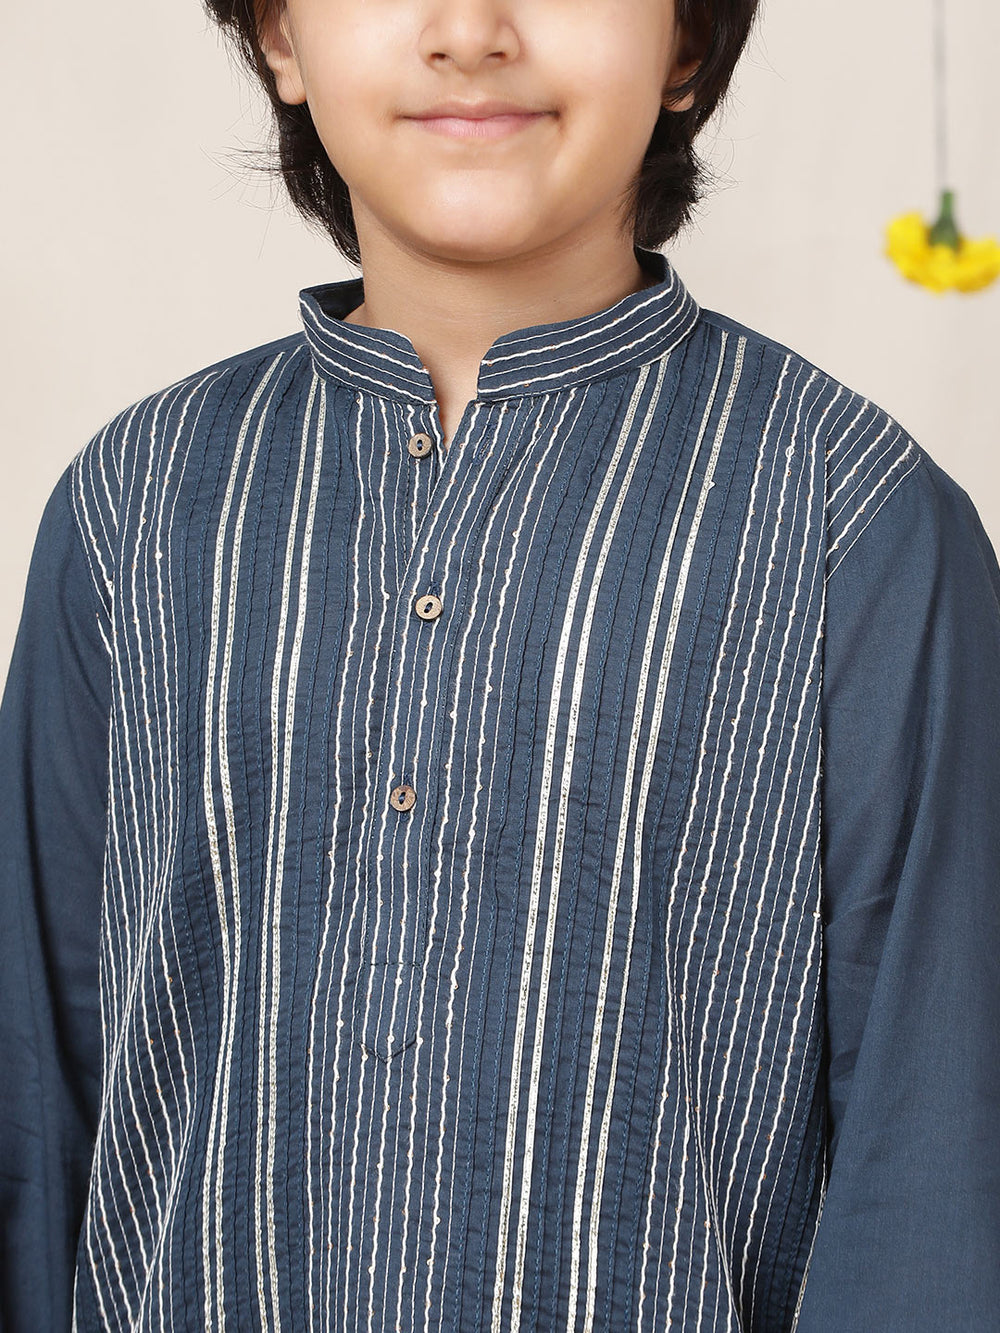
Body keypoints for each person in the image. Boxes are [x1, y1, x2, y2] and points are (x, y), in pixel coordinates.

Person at [1, 0, 998, 1327]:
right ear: (279, 37)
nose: (470, 31)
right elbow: (36, 1095)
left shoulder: (852, 517)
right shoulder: (133, 506)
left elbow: (934, 1161)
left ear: (686, 43)